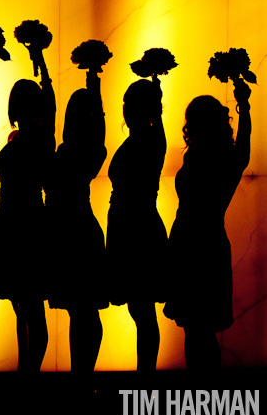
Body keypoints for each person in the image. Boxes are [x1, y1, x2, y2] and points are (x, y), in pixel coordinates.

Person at [163, 79, 251, 371]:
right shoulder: (227, 159)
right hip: (204, 243)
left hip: (193, 244)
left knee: (195, 327)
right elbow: (244, 146)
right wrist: (244, 107)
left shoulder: (209, 158)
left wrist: (245, 107)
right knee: (198, 328)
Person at [0, 43, 54, 374]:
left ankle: (29, 375)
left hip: (25, 220)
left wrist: (40, 60)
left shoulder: (41, 139)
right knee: (23, 305)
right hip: (15, 219)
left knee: (29, 305)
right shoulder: (24, 138)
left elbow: (51, 101)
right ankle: (25, 371)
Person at [44, 66, 107, 373]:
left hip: (69, 234)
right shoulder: (87, 154)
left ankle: (81, 375)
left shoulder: (70, 153)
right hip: (79, 230)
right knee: (83, 310)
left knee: (79, 310)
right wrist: (94, 87)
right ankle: (82, 374)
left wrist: (93, 88)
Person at [107, 78, 167, 372]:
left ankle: (146, 375)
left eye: (131, 105)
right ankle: (146, 374)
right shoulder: (146, 140)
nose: (126, 111)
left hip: (137, 229)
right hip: (129, 227)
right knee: (140, 309)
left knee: (142, 310)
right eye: (126, 105)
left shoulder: (150, 140)